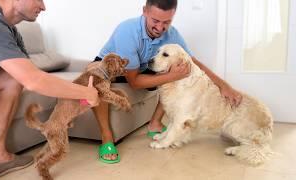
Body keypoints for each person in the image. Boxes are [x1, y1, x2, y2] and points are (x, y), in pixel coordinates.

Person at [92, 0, 243, 164]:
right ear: (145, 11)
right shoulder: (127, 30)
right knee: (96, 80)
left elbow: (193, 63)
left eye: (166, 22)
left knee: (181, 69)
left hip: (141, 67)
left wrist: (224, 85)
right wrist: (172, 76)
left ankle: (155, 124)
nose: (160, 28)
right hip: (113, 67)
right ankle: (107, 139)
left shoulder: (172, 35)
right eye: (155, 21)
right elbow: (134, 81)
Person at [0, 0, 99, 179]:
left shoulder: (10, 31)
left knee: (13, 78)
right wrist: (86, 93)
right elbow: (34, 80)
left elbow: (27, 74)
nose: (44, 7)